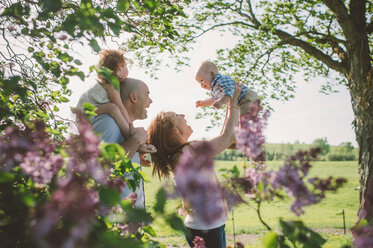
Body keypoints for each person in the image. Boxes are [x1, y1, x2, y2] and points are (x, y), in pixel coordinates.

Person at [147, 82, 242, 248]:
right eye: (177, 116)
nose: (183, 115)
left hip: (201, 226)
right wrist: (234, 103)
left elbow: (223, 136)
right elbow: (227, 137)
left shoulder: (180, 155)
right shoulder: (190, 150)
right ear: (175, 131)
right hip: (208, 228)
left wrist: (229, 106)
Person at [76, 49, 156, 154]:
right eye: (125, 66)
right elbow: (120, 107)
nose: (128, 70)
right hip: (85, 114)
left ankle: (137, 142)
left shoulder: (107, 83)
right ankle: (135, 139)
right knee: (113, 108)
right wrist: (131, 127)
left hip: (84, 115)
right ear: (118, 68)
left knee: (113, 108)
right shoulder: (112, 84)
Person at [91, 77, 153, 208]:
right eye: (147, 95)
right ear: (133, 97)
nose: (151, 101)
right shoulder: (107, 123)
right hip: (115, 221)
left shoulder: (126, 131)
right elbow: (102, 171)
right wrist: (135, 141)